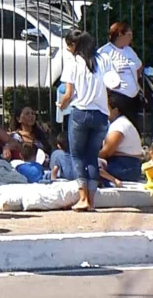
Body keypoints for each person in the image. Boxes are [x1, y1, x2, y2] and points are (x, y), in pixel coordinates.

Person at [57, 31, 113, 212]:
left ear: (75, 45)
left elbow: (68, 94)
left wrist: (61, 105)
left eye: (69, 45)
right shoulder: (103, 59)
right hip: (101, 114)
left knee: (77, 155)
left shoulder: (73, 63)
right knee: (92, 156)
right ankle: (92, 200)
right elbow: (112, 82)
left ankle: (83, 198)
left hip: (80, 112)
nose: (68, 49)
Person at [98, 22, 143, 130]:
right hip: (117, 96)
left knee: (133, 129)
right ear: (120, 35)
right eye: (129, 34)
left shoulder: (129, 50)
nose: (131, 38)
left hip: (132, 97)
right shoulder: (105, 52)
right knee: (119, 129)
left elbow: (139, 66)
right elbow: (100, 79)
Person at [98, 90, 144, 184]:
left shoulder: (119, 125)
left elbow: (107, 152)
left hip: (124, 167)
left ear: (115, 110)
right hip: (126, 166)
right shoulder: (119, 123)